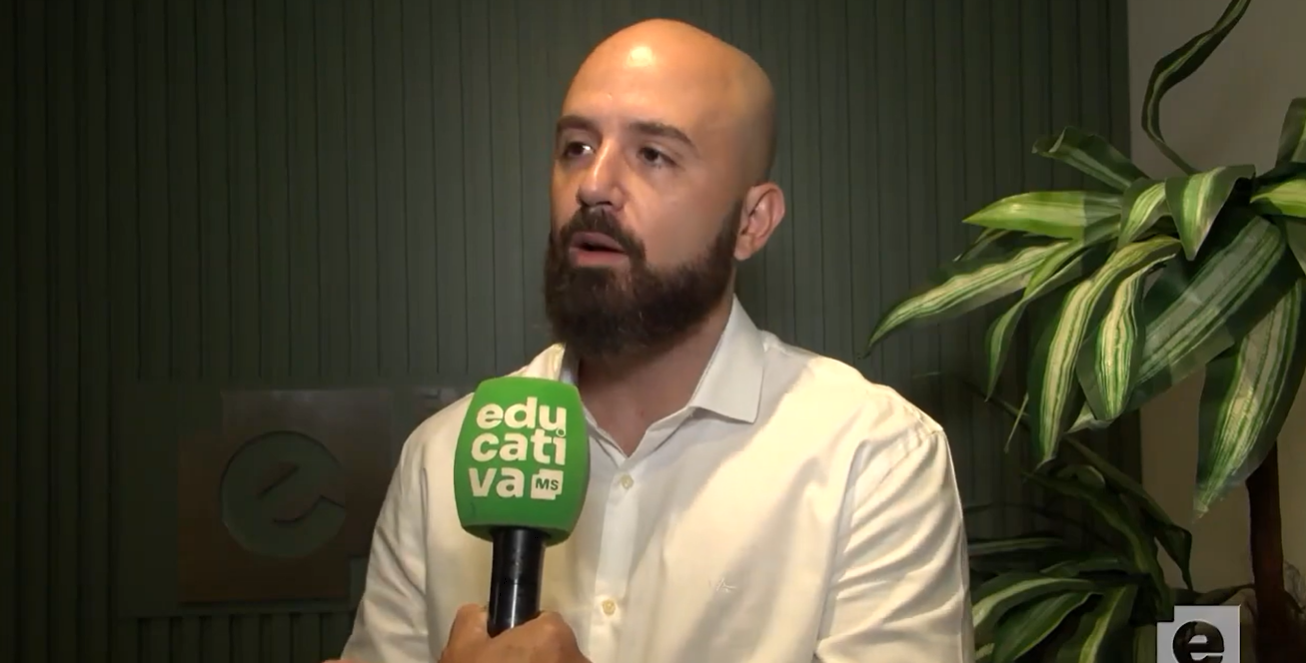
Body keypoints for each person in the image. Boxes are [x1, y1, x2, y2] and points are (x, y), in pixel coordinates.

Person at [333, 17, 974, 663]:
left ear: (752, 222)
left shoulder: (874, 458)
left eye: (653, 155)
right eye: (576, 147)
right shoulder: (440, 459)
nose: (593, 185)